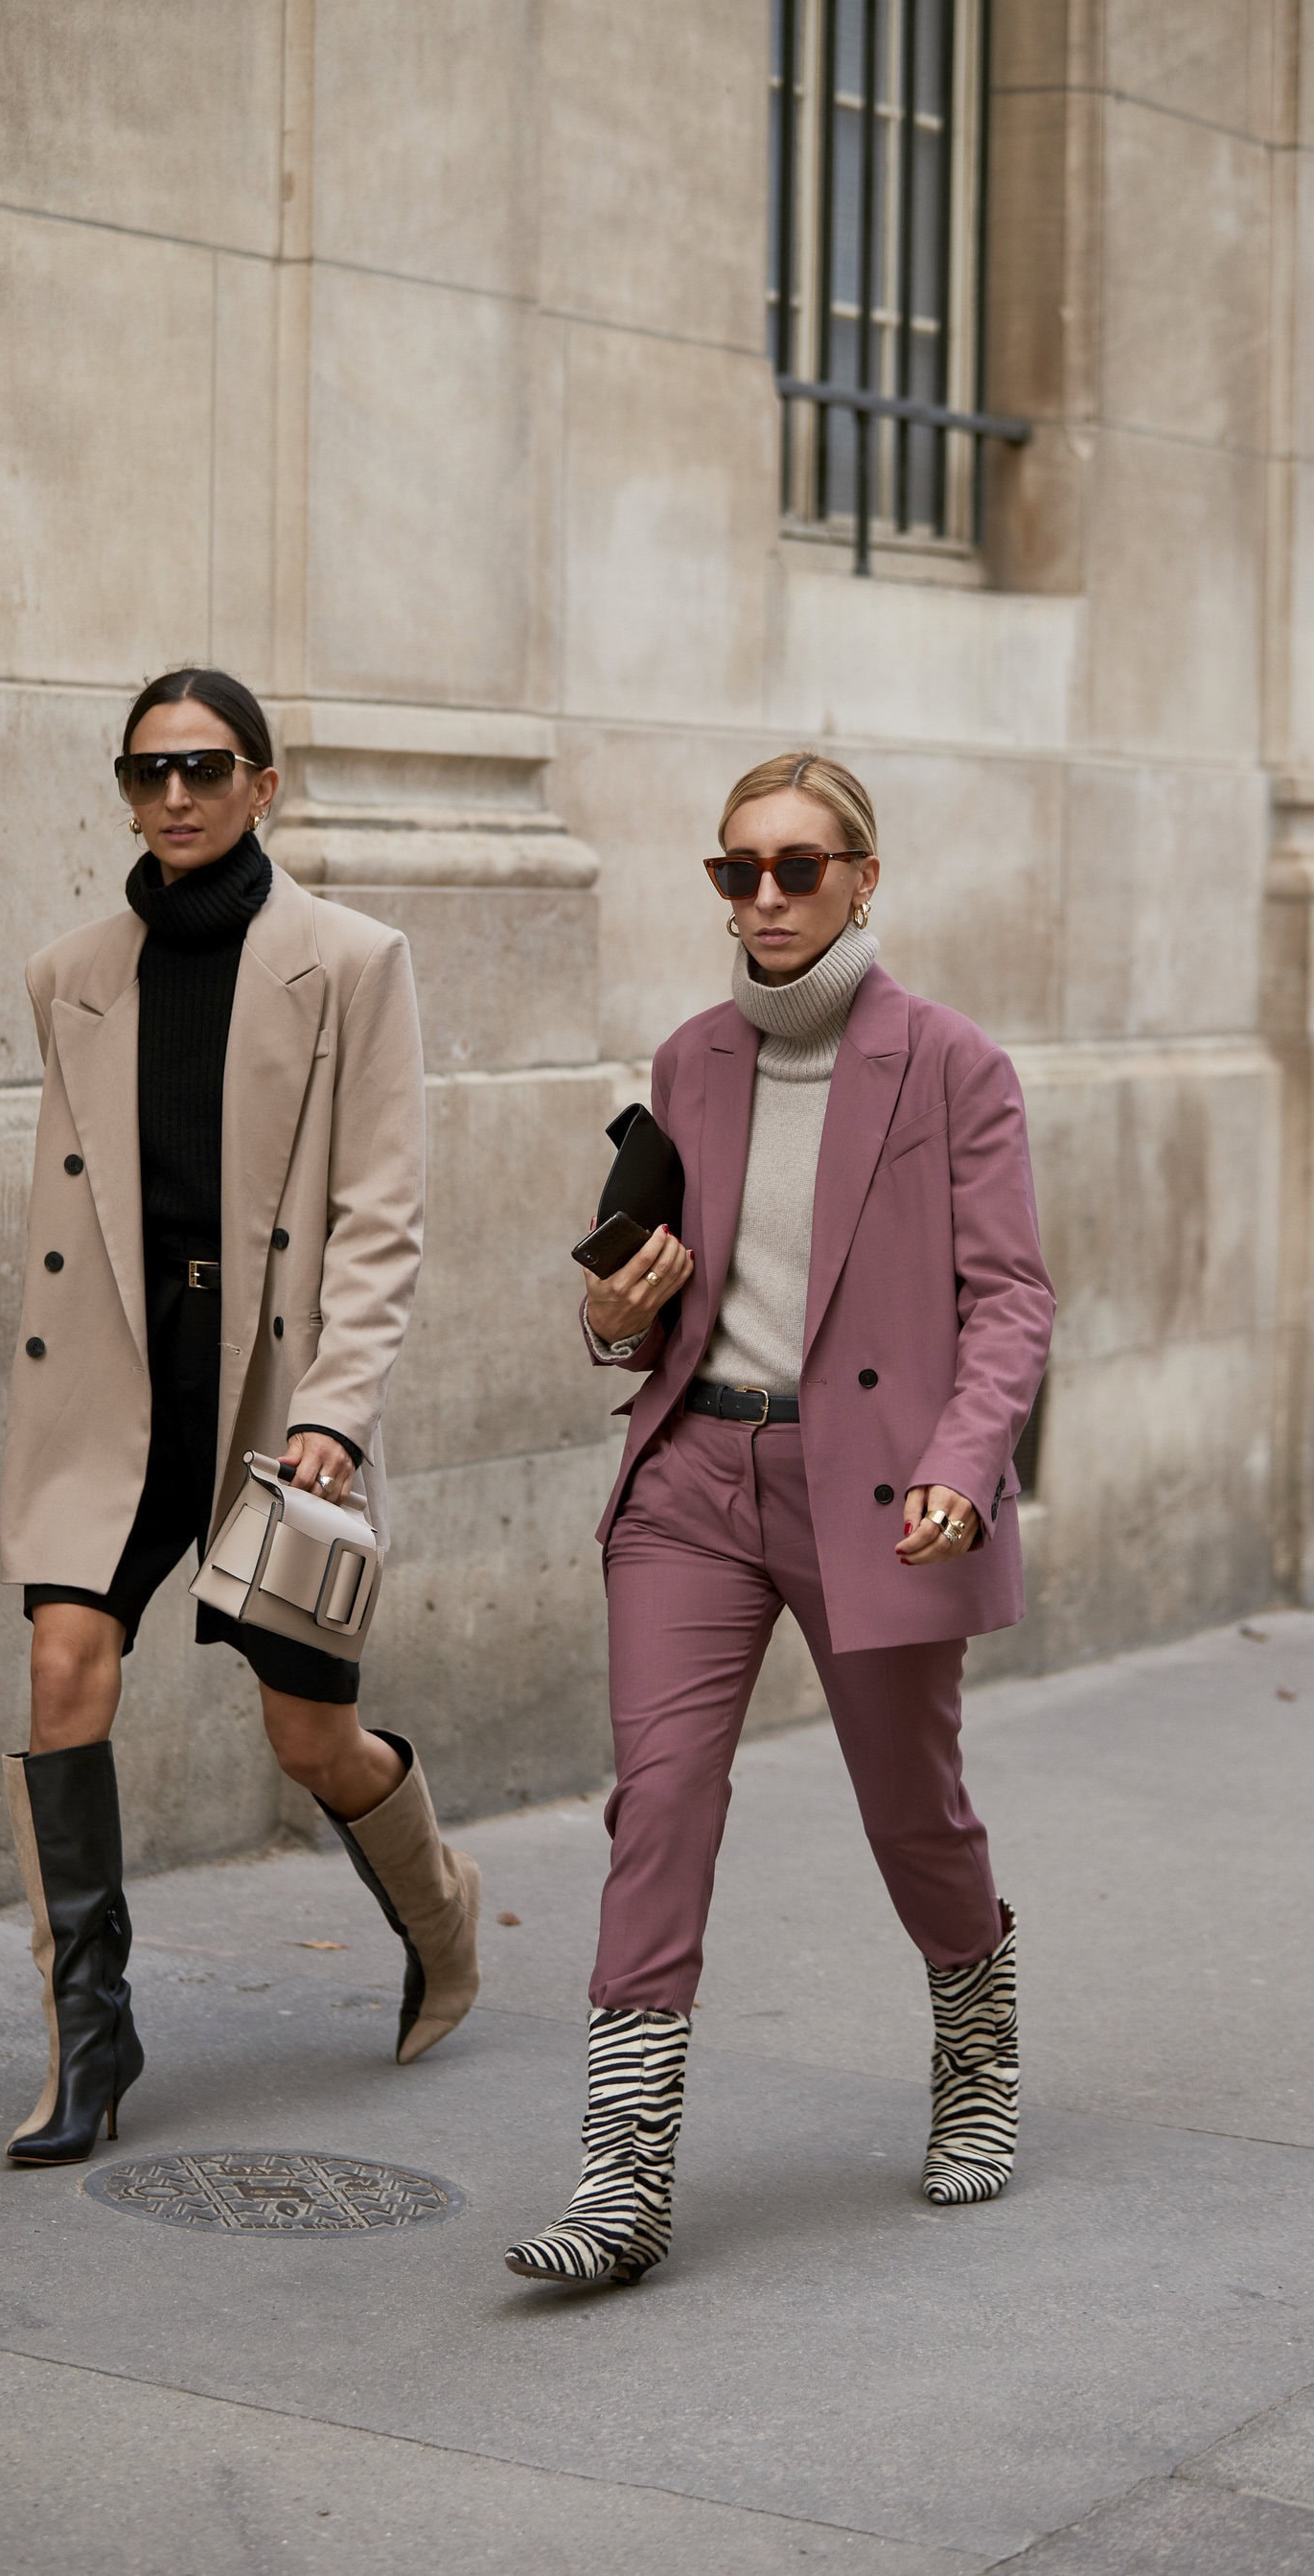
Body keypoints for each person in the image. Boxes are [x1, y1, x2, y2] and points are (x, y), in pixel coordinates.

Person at [506, 751, 1054, 2286]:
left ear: (863, 880)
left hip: (874, 1494)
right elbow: (650, 1308)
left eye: (797, 869)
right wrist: (612, 1315)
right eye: (735, 870)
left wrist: (964, 1456)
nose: (762, 898)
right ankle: (622, 2183)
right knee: (660, 1804)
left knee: (912, 1811)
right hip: (696, 1481)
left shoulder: (953, 1067)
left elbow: (1010, 1296)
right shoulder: (691, 1061)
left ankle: (978, 2048)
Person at [0, 665, 479, 2167]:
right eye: (149, 774)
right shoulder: (71, 972)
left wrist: (338, 1405)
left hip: (274, 1401)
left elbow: (380, 1217)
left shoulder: (351, 960)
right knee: (64, 1666)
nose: (179, 798)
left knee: (308, 1737)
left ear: (266, 787)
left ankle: (439, 1908)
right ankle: (89, 2033)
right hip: (120, 1388)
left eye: (208, 769)